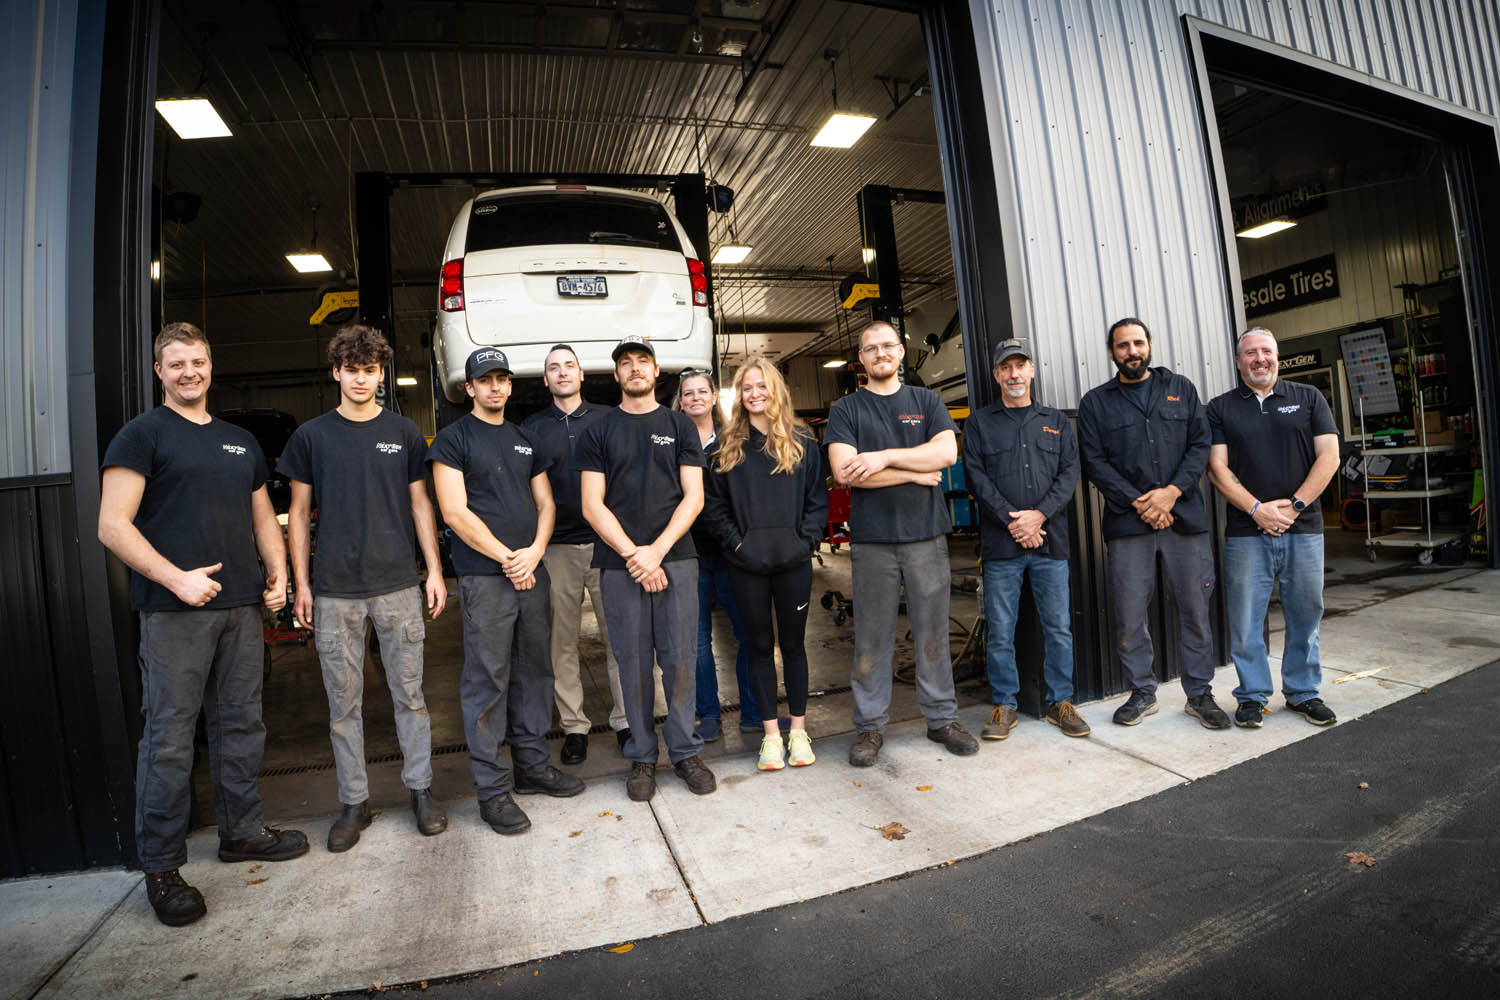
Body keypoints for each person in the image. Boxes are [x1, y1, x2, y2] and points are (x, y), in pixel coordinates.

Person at [98, 322, 308, 927]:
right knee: (168, 738)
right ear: (159, 372)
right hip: (175, 615)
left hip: (241, 609)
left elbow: (262, 515)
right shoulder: (141, 436)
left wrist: (277, 574)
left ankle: (242, 831)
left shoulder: (239, 441)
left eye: (198, 362)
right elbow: (113, 524)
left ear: (211, 367)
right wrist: (176, 579)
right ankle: (161, 867)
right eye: (177, 364)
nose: (189, 372)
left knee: (242, 724)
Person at [280, 324, 448, 852]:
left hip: (397, 583)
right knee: (343, 705)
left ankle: (421, 791)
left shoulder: (402, 432)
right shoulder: (311, 437)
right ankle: (355, 802)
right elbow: (300, 513)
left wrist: (435, 571)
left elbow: (422, 505)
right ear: (336, 372)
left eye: (370, 370)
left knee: (411, 697)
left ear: (381, 373)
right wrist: (301, 584)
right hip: (333, 590)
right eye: (351, 370)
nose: (360, 379)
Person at [429, 348, 584, 836]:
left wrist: (535, 551)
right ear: (468, 388)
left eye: (502, 379)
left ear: (511, 386)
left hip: (530, 571)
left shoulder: (524, 439)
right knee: (488, 680)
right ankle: (493, 790)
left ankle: (532, 768)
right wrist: (508, 557)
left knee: (534, 672)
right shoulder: (453, 439)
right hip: (486, 576)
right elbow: (454, 513)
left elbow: (546, 503)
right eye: (485, 380)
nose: (495, 387)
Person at [826, 321, 979, 766]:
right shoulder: (847, 409)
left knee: (932, 631)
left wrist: (885, 457)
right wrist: (914, 471)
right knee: (872, 638)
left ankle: (941, 719)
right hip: (873, 540)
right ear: (861, 359)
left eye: (888, 346)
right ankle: (870, 727)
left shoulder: (926, 401)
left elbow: (947, 454)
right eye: (870, 348)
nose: (880, 353)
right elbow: (844, 471)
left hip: (925, 535)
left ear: (901, 352)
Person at [576, 335, 718, 801]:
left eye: (643, 361)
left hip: (675, 560)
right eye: (626, 363)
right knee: (632, 663)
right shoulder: (598, 428)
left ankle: (684, 750)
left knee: (680, 660)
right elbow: (591, 504)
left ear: (657, 372)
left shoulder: (679, 426)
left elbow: (694, 496)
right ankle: (641, 756)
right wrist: (637, 556)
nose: (635, 369)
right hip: (619, 567)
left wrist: (656, 550)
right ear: (616, 375)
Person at [1077, 318, 1230, 730]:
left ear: (1150, 345)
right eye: (1122, 345)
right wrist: (1140, 502)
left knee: (1196, 611)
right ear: (1111, 353)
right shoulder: (1096, 402)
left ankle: (1199, 694)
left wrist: (1170, 494)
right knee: (1129, 616)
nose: (1132, 351)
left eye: (1138, 343)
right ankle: (1142, 692)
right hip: (1130, 525)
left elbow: (1200, 446)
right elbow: (1094, 463)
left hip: (1185, 520)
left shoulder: (1181, 389)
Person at [1206, 327, 1342, 728]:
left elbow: (1330, 457)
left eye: (1266, 351)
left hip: (1303, 528)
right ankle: (1252, 696)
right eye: (1250, 353)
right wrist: (1257, 509)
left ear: (1277, 357)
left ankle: (1303, 693)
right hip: (1247, 532)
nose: (1259, 359)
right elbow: (1217, 468)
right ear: (1238, 361)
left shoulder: (1308, 397)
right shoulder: (1220, 407)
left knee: (1306, 611)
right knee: (1246, 618)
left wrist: (1295, 506)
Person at [704, 358, 828, 770]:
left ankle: (799, 731)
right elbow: (715, 509)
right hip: (746, 565)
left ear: (776, 390)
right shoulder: (726, 448)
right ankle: (771, 737)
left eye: (762, 386)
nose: (755, 393)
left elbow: (817, 504)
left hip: (793, 563)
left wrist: (804, 544)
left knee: (793, 646)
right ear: (739, 396)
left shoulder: (803, 444)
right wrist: (739, 547)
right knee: (757, 647)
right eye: (747, 387)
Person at [962, 338, 1087, 739]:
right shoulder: (980, 423)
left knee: (1059, 627)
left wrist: (1038, 517)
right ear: (997, 375)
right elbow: (975, 477)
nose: (1014, 373)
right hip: (1002, 546)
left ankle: (1060, 702)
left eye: (1021, 366)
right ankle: (1004, 704)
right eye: (1006, 367)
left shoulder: (1056, 421)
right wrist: (1013, 521)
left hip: (1051, 542)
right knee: (1001, 629)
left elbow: (1069, 474)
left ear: (1032, 370)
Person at [523, 345, 631, 765]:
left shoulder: (608, 419)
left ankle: (625, 720)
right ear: (545, 380)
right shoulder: (531, 428)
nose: (563, 373)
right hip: (557, 548)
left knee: (619, 637)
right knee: (560, 643)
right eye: (554, 368)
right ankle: (575, 727)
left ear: (582, 375)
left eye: (569, 366)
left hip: (607, 544)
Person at [673, 369, 755, 743]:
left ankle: (754, 711)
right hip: (688, 551)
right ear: (680, 400)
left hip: (731, 551)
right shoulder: (670, 440)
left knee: (747, 633)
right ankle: (708, 714)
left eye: (701, 391)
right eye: (687, 393)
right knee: (697, 640)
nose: (694, 398)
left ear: (712, 397)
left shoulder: (734, 440)